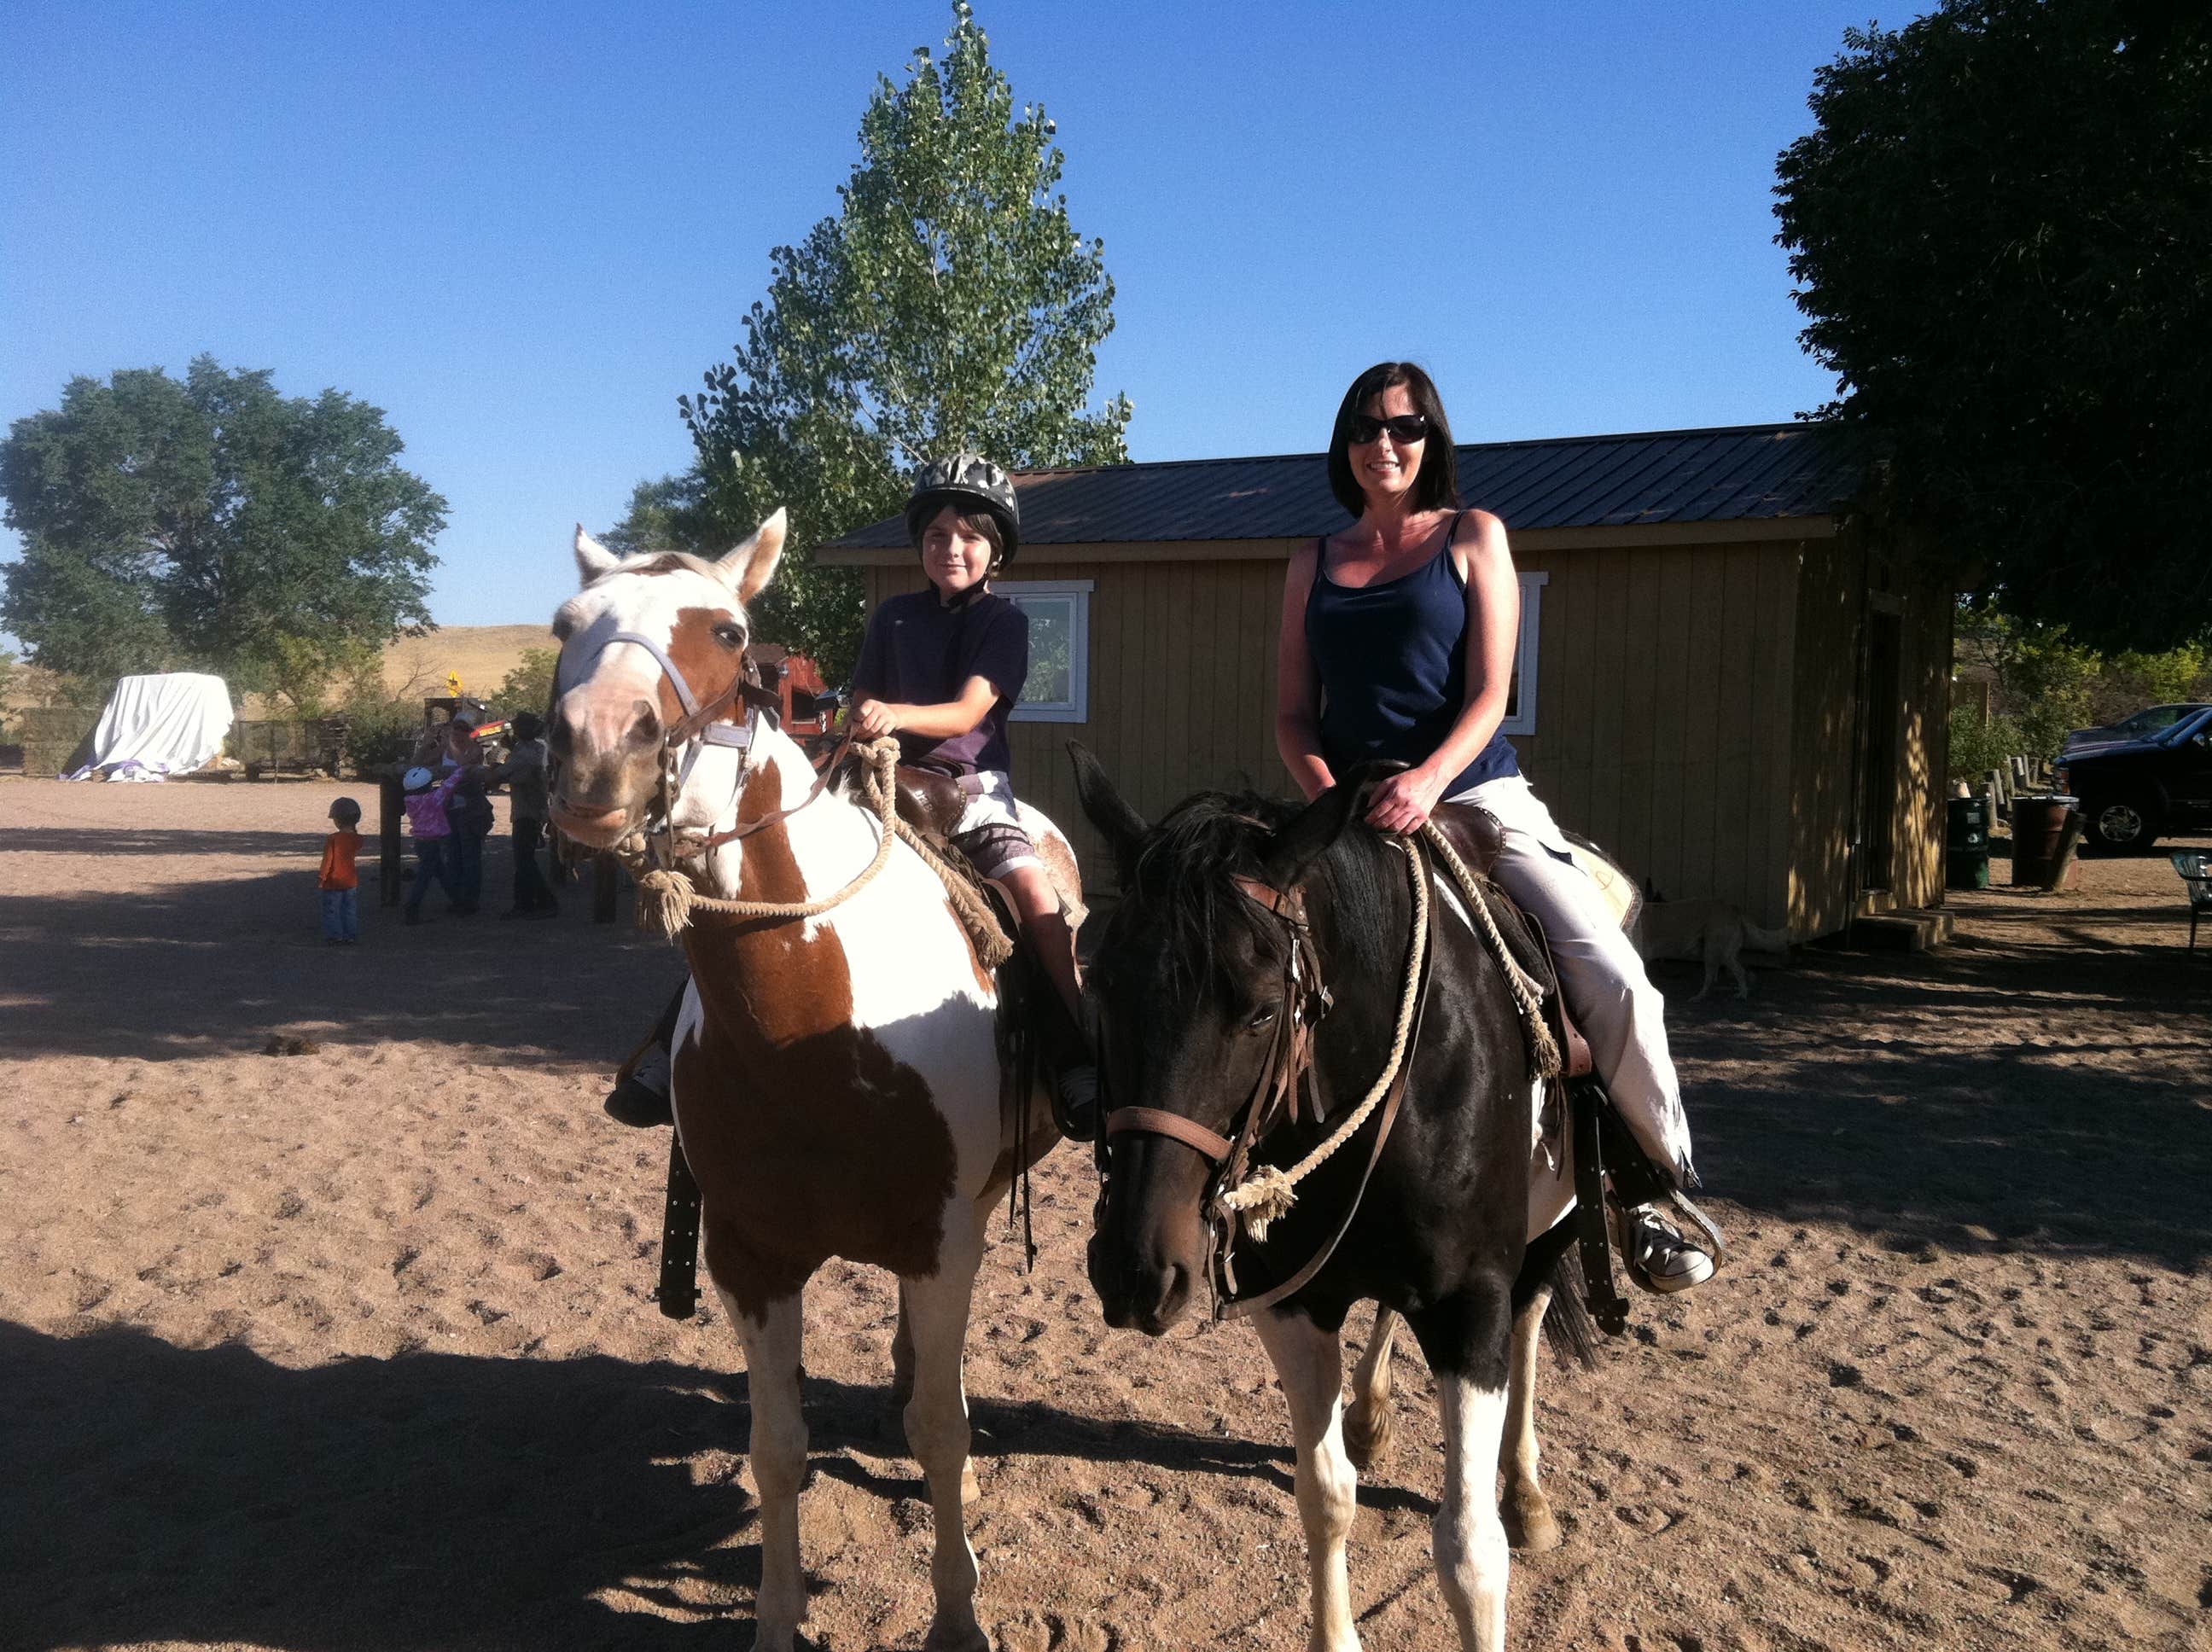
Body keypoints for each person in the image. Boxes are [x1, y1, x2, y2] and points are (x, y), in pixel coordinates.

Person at [1274, 361, 1715, 1293]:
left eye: (1404, 427)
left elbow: (1489, 696)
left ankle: (1652, 1184)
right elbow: (1292, 715)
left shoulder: (1474, 537)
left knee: (1615, 977)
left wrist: (1429, 781)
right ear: (1342, 442)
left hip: (1474, 796)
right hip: (1347, 808)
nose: (1382, 444)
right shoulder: (1312, 560)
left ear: (1432, 439)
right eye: (1364, 427)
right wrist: (1330, 799)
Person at [601, 455, 1095, 1132]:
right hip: (875, 781)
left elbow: (967, 711)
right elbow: (862, 689)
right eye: (937, 537)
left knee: (1038, 902)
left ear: (995, 550)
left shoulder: (1003, 622)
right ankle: (668, 1047)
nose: (952, 549)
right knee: (756, 885)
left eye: (970, 537)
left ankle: (1076, 1055)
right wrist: (864, 712)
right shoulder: (893, 617)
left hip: (968, 790)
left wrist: (896, 715)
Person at [489, 710, 558, 918]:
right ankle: (528, 902)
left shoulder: (525, 753)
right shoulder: (538, 748)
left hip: (527, 810)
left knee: (523, 860)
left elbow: (502, 773)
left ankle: (538, 901)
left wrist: (494, 765)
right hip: (533, 808)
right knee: (524, 859)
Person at [400, 765, 464, 925]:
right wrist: (461, 769)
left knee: (441, 873)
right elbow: (448, 786)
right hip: (433, 842)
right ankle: (412, 907)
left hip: (421, 842)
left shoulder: (410, 800)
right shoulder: (433, 799)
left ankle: (458, 901)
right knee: (424, 877)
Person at [318, 797, 364, 944]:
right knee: (350, 909)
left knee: (332, 909)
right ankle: (351, 934)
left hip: (333, 880)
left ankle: (335, 934)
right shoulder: (357, 839)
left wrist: (322, 877)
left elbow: (328, 860)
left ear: (336, 820)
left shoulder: (332, 839)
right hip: (351, 880)